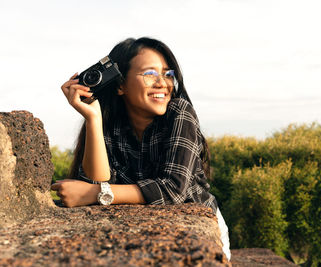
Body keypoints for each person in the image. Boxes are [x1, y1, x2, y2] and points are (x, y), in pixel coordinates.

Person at [50, 37, 231, 260]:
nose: (163, 83)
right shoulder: (112, 125)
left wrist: (97, 194)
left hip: (203, 232)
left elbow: (174, 189)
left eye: (168, 74)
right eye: (150, 74)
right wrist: (93, 119)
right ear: (120, 85)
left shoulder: (179, 112)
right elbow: (96, 182)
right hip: (147, 235)